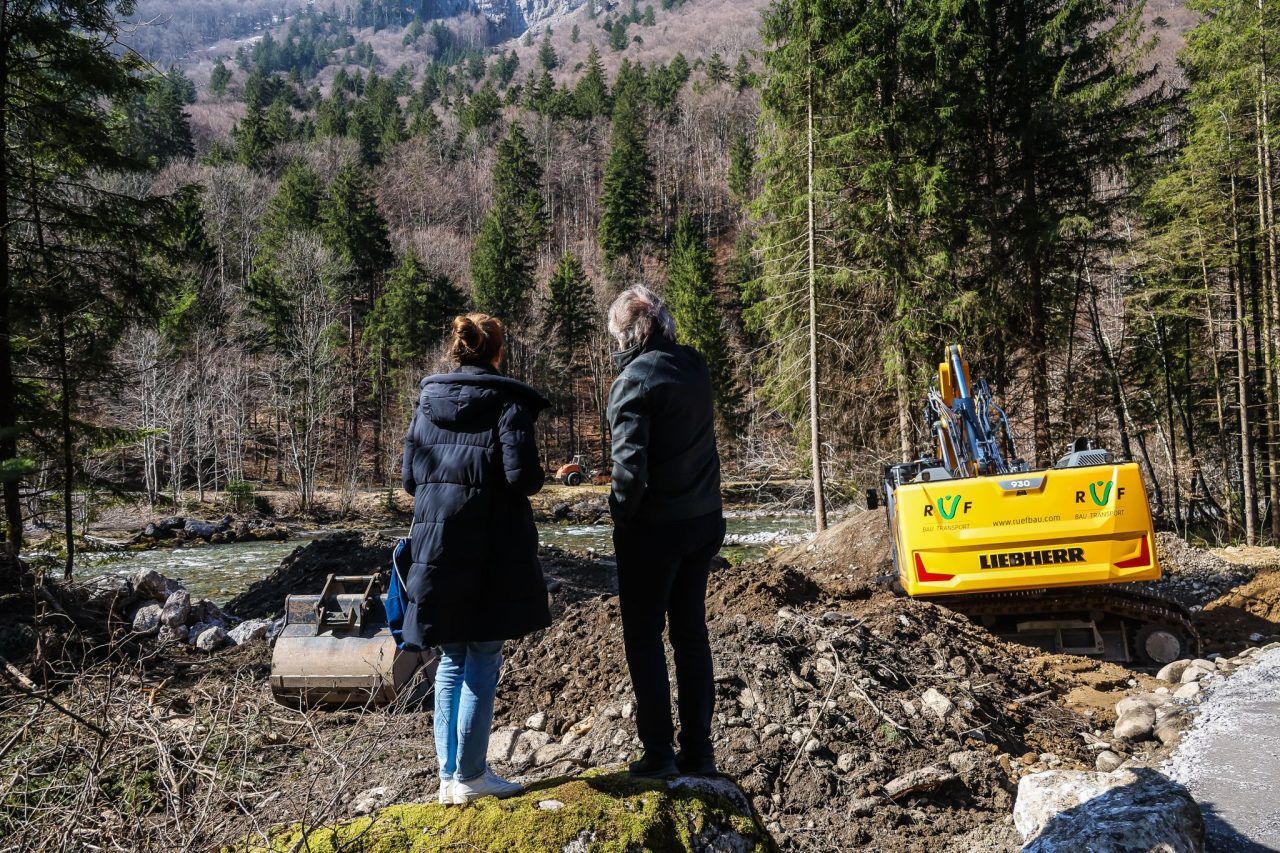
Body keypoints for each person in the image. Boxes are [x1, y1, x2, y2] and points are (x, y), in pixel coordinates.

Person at [401, 313, 551, 804]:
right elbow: (522, 477)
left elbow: (409, 478)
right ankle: (471, 775)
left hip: (435, 544)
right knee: (483, 655)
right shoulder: (507, 402)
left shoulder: (427, 403)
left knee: (451, 656)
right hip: (488, 546)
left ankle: (449, 777)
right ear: (499, 353)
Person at [606, 285, 725, 779]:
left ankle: (658, 754)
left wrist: (618, 514)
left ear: (629, 333)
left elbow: (629, 470)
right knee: (692, 636)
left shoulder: (633, 382)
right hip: (703, 521)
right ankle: (699, 752)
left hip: (655, 528)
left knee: (644, 637)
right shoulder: (694, 366)